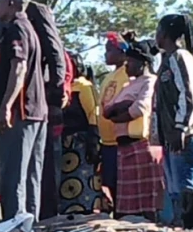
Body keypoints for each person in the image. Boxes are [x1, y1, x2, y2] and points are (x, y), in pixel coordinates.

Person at [0, 0, 68, 220]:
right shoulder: (6, 19)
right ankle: (28, 218)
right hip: (24, 95)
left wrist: (56, 93)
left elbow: (55, 52)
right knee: (26, 166)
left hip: (32, 97)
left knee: (28, 165)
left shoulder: (31, 13)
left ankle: (30, 217)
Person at [0, 0, 47, 222]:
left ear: (11, 4)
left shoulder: (16, 29)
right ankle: (29, 224)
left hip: (21, 110)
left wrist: (4, 108)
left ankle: (15, 222)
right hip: (37, 110)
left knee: (14, 172)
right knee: (32, 173)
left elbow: (18, 67)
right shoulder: (30, 28)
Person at [155, 14, 193, 226]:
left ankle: (188, 225)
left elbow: (189, 94)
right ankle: (180, 225)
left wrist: (181, 127)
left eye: (158, 30)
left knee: (185, 185)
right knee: (175, 188)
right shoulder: (167, 59)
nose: (156, 35)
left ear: (166, 33)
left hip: (188, 132)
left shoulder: (180, 57)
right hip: (173, 135)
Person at [104, 40, 163, 220]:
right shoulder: (129, 85)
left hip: (140, 143)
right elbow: (108, 109)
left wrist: (121, 112)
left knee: (145, 195)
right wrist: (122, 106)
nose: (126, 64)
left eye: (130, 61)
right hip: (123, 145)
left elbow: (140, 108)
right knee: (128, 197)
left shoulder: (150, 82)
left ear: (142, 63)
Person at [60, 52, 103, 214]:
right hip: (65, 143)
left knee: (83, 180)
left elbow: (93, 113)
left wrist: (93, 142)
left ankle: (85, 212)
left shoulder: (84, 87)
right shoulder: (64, 87)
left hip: (81, 142)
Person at [98, 32, 133, 211]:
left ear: (122, 52)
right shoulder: (108, 77)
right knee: (109, 183)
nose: (105, 54)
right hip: (107, 141)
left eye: (109, 50)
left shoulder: (127, 74)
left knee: (123, 185)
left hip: (121, 139)